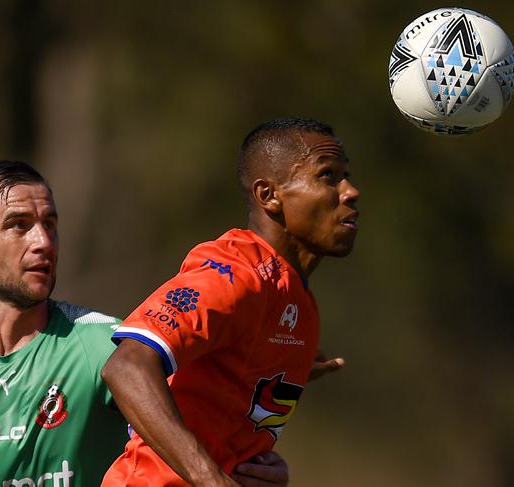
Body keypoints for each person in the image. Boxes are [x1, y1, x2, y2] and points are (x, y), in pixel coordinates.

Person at [0, 160, 291, 487]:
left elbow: (208, 419)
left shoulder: (109, 348)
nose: (43, 242)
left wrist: (252, 464)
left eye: (50, 224)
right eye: (19, 225)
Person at [101, 117, 360, 486]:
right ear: (269, 196)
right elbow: (126, 367)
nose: (350, 191)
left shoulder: (298, 299)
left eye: (346, 175)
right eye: (328, 176)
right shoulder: (235, 273)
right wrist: (212, 480)